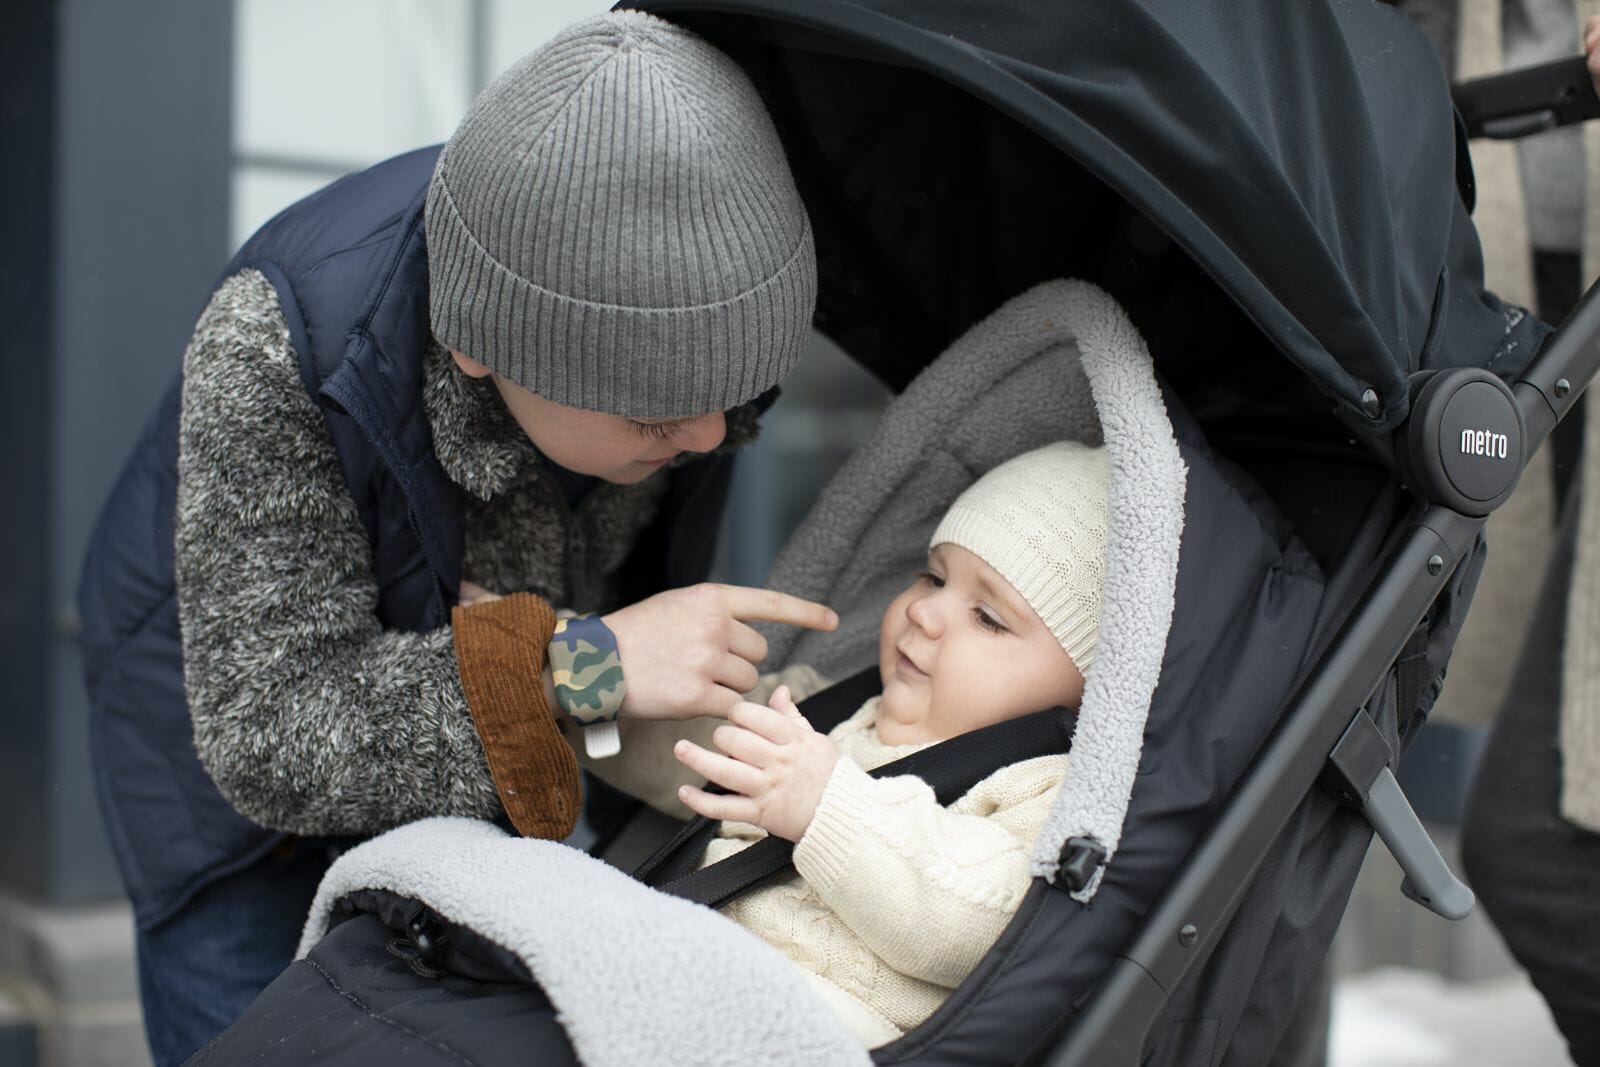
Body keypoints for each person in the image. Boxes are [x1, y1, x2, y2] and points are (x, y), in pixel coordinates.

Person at [77, 11, 833, 1065]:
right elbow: (273, 732)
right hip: (241, 808)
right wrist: (589, 659)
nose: (709, 435)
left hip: (490, 773)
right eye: (654, 409)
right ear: (477, 345)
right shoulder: (281, 339)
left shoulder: (674, 335)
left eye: (730, 389)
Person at [551, 441, 1110, 1047]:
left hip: (816, 1030)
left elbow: (981, 924)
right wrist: (568, 661)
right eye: (934, 576)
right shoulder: (821, 710)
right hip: (678, 970)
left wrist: (828, 807)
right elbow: (662, 735)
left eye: (989, 617)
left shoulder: (1049, 789)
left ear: (1087, 691)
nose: (925, 610)